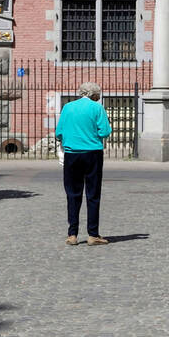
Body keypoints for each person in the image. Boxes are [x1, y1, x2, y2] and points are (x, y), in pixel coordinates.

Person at [56, 82, 112, 245]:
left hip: (72, 154)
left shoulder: (67, 107)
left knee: (73, 193)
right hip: (92, 153)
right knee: (93, 194)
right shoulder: (97, 108)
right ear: (95, 95)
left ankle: (72, 234)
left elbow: (59, 132)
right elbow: (105, 131)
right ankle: (93, 234)